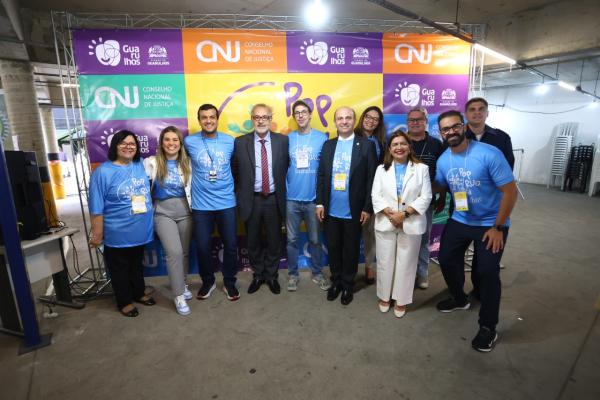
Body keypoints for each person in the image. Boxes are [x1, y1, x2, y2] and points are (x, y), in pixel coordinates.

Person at [434, 110, 517, 352]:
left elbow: (510, 192)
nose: (451, 132)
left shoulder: (489, 153)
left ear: (464, 127)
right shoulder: (443, 160)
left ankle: (488, 326)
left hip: (491, 223)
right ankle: (459, 298)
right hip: (461, 219)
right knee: (446, 259)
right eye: (445, 129)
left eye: (455, 126)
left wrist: (498, 227)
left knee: (487, 272)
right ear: (441, 133)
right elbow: (441, 184)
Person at [89, 130, 155, 317]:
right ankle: (124, 301)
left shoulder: (140, 165)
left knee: (136, 265)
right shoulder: (102, 172)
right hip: (117, 232)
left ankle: (138, 293)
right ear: (115, 146)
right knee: (119, 268)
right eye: (123, 143)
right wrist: (97, 233)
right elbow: (96, 206)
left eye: (132, 144)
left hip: (140, 230)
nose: (128, 147)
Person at [316, 106, 377, 305]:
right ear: (335, 121)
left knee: (351, 250)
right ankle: (336, 282)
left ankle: (348, 284)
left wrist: (367, 207)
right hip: (331, 209)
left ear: (354, 120)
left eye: (348, 118)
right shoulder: (328, 145)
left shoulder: (366, 145)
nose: (344, 121)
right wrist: (319, 203)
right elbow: (321, 176)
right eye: (340, 118)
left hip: (355, 210)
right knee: (334, 248)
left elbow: (372, 179)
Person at [371, 130, 431, 318]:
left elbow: (426, 197)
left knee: (407, 263)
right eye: (395, 144)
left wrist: (403, 215)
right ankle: (384, 296)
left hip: (411, 223)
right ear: (389, 149)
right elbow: (375, 195)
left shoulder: (421, 169)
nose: (399, 147)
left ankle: (401, 299)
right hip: (386, 221)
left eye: (403, 144)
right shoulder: (381, 169)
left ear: (409, 147)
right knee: (385, 262)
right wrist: (390, 214)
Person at [185, 104, 240, 301]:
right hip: (201, 205)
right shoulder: (189, 142)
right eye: (204, 117)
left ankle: (229, 282)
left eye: (212, 117)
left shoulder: (230, 141)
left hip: (226, 202)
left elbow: (237, 167)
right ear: (199, 120)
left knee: (231, 245)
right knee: (202, 246)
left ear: (217, 119)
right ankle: (207, 281)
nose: (208, 121)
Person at [233, 104, 289, 295]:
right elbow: (235, 171)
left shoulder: (283, 141)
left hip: (274, 199)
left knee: (274, 241)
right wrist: (240, 195)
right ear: (252, 119)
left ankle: (271, 276)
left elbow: (288, 167)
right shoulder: (240, 142)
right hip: (252, 200)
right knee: (253, 241)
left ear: (271, 119)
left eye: (265, 117)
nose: (261, 121)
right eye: (257, 117)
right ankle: (258, 275)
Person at [464, 97, 515, 299]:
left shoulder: (501, 138)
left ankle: (479, 291)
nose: (477, 112)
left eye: (481, 109)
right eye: (472, 109)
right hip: (463, 207)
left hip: (491, 209)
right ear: (466, 114)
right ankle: (457, 293)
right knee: (451, 255)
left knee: (484, 259)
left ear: (487, 113)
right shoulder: (458, 136)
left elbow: (507, 173)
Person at [144, 126, 193, 315]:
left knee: (184, 252)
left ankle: (183, 283)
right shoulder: (151, 162)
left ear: (180, 143)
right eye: (167, 139)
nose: (171, 143)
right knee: (174, 252)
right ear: (161, 142)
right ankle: (178, 295)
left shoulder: (188, 163)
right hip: (163, 213)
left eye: (175, 139)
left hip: (186, 211)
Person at [285, 100, 330, 292]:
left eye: (304, 112)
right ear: (294, 116)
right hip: (291, 200)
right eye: (297, 113)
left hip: (313, 201)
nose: (301, 115)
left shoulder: (322, 138)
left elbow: (326, 170)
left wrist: (322, 200)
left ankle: (317, 273)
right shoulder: (288, 139)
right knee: (291, 240)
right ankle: (293, 275)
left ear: (310, 114)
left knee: (315, 240)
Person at [406, 107, 444, 289]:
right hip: (401, 201)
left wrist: (441, 196)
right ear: (407, 122)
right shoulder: (399, 141)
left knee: (423, 238)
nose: (415, 123)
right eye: (411, 120)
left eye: (419, 119)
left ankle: (422, 274)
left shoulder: (436, 144)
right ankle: (405, 273)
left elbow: (442, 172)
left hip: (426, 201)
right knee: (403, 239)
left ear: (426, 121)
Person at [354, 106, 386, 285]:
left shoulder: (381, 142)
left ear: (379, 123)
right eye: (368, 116)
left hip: (374, 194)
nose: (370, 121)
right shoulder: (351, 136)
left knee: (370, 234)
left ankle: (368, 267)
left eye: (375, 119)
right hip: (353, 193)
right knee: (351, 234)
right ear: (362, 118)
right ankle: (349, 269)